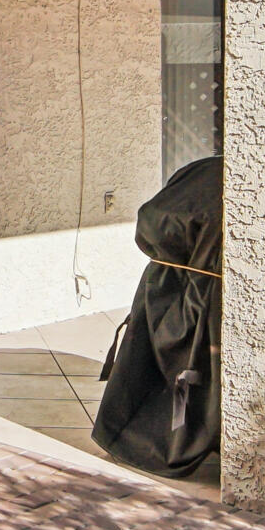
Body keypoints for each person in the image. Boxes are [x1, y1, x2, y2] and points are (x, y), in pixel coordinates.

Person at [91, 155, 220, 479]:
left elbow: (153, 221)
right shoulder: (215, 174)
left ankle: (173, 436)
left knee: (185, 373)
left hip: (182, 285)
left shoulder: (208, 169)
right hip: (189, 287)